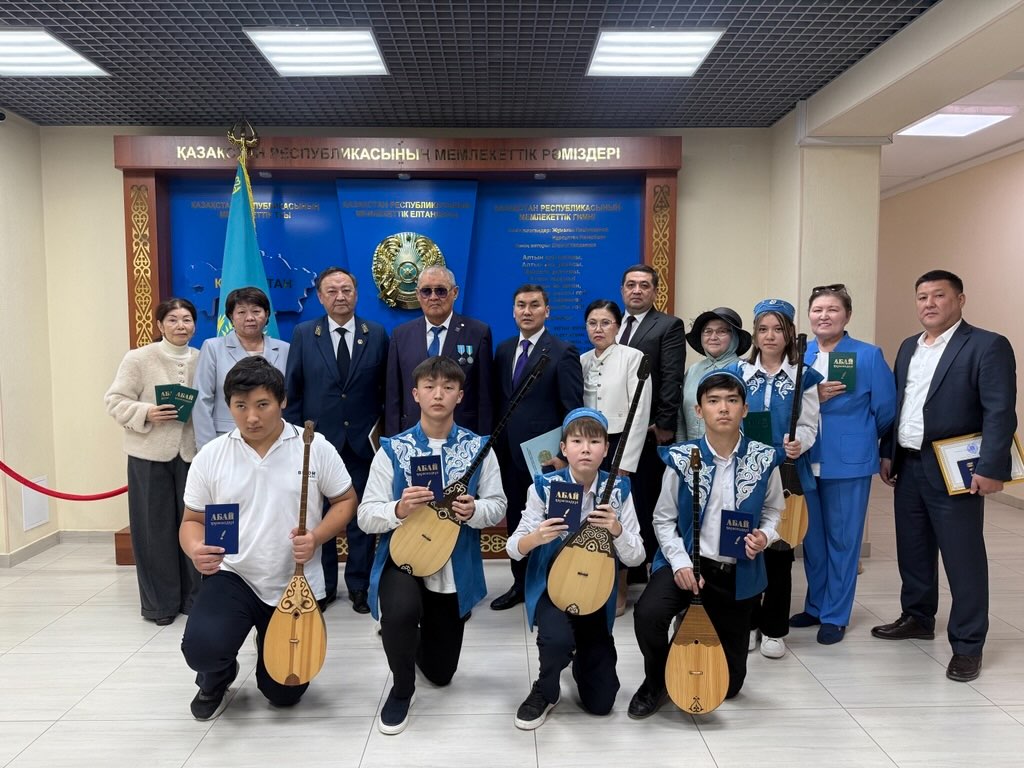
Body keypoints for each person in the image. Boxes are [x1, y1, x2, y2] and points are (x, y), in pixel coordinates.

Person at [179, 357, 357, 719]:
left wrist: (318, 536)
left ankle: (268, 649)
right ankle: (217, 676)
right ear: (228, 405)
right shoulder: (212, 455)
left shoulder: (313, 447)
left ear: (283, 402)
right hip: (233, 574)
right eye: (240, 406)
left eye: (263, 405)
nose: (251, 418)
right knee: (202, 649)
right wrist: (196, 548)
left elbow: (346, 499)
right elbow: (192, 520)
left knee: (284, 693)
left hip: (294, 579)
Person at [874, 270, 1017, 683]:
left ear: (960, 299)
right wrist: (889, 453)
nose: (929, 304)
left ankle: (968, 644)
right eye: (922, 297)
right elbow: (899, 406)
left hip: (957, 467)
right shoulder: (907, 348)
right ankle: (918, 616)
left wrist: (992, 468)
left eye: (939, 295)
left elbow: (1000, 411)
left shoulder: (987, 345)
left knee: (963, 557)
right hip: (910, 463)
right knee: (913, 548)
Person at [358, 356, 506, 734]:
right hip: (403, 556)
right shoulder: (393, 449)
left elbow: (499, 505)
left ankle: (405, 635)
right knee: (402, 610)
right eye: (429, 387)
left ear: (460, 395)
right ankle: (401, 686)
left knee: (441, 674)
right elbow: (365, 514)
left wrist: (474, 509)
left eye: (448, 387)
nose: (438, 394)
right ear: (415, 394)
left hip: (451, 565)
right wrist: (399, 509)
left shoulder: (479, 448)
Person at [628, 370, 783, 718]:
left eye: (732, 400)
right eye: (713, 401)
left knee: (729, 687)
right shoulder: (682, 458)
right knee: (648, 615)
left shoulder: (763, 458)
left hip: (735, 572)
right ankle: (656, 681)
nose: (723, 408)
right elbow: (663, 519)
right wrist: (681, 563)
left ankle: (693, 633)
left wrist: (765, 535)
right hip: (686, 564)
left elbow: (774, 510)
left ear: (745, 409)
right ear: (699, 411)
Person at [507, 408, 644, 729]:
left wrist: (617, 530)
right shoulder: (543, 487)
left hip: (595, 593)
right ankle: (546, 687)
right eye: (577, 441)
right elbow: (513, 548)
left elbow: (637, 556)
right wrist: (537, 536)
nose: (586, 448)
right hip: (552, 589)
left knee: (602, 703)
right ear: (564, 448)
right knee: (555, 641)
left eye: (595, 441)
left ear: (606, 449)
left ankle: (582, 657)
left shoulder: (619, 491)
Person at [790, 284, 896, 644]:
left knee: (844, 541)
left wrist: (867, 441)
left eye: (832, 309)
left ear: (847, 315)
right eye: (817, 309)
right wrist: (810, 396)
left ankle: (835, 614)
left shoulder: (866, 355)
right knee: (812, 540)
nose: (824, 316)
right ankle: (816, 605)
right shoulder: (797, 355)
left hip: (848, 460)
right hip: (805, 457)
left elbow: (885, 410)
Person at [285, 266, 388, 613]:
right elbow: (293, 390)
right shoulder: (303, 333)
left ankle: (359, 586)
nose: (340, 296)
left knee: (359, 516)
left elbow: (386, 391)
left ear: (356, 294)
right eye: (332, 291)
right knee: (319, 517)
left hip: (363, 444)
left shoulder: (376, 334)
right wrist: (297, 439)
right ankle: (325, 586)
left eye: (346, 289)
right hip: (317, 445)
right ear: (320, 296)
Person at [731, 299, 822, 660]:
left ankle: (774, 628)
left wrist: (801, 443)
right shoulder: (737, 373)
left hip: (785, 473)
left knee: (780, 553)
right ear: (754, 334)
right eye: (763, 329)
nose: (770, 336)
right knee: (745, 548)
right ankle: (748, 621)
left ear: (789, 334)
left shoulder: (806, 375)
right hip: (743, 473)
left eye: (778, 329)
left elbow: (810, 425)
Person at [105, 297, 201, 626]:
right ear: (159, 325)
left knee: (193, 527)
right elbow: (114, 401)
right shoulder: (139, 358)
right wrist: (146, 412)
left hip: (192, 456)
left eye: (186, 319)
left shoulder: (203, 359)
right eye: (172, 320)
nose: (180, 326)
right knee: (153, 530)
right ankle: (159, 605)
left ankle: (194, 598)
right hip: (148, 455)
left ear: (195, 324)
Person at [490, 284, 584, 610]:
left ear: (547, 310)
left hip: (547, 460)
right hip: (508, 455)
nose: (527, 311)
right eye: (521, 305)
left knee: (553, 523)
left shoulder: (562, 351)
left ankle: (552, 585)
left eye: (534, 305)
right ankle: (520, 584)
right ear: (513, 311)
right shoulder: (503, 350)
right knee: (518, 520)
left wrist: (563, 455)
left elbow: (572, 408)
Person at [580, 298, 651, 614]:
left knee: (616, 516)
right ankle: (589, 579)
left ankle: (620, 587)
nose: (599, 329)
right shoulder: (582, 360)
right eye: (593, 323)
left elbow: (640, 411)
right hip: (587, 444)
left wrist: (624, 462)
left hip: (619, 444)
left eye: (605, 322)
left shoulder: (632, 358)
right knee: (587, 515)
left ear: (618, 326)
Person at [617, 264, 686, 584]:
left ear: (655, 291)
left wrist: (664, 424)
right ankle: (627, 567)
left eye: (644, 285)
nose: (637, 290)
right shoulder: (613, 325)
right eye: (631, 284)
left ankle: (648, 570)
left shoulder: (668, 325)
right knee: (623, 499)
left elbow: (671, 377)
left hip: (650, 432)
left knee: (647, 500)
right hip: (616, 432)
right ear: (622, 290)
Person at [385, 265, 493, 436]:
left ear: (455, 293)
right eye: (426, 291)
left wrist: (484, 442)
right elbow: (393, 397)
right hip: (412, 434)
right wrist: (392, 441)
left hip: (462, 434)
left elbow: (485, 397)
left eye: (441, 291)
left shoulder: (478, 333)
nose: (433, 297)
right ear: (418, 295)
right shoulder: (401, 335)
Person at [193, 286, 289, 450]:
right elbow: (202, 399)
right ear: (231, 316)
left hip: (275, 439)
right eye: (242, 312)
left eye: (256, 311)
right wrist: (207, 448)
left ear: (266, 315)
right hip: (226, 438)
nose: (250, 318)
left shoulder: (284, 349)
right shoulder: (213, 348)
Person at [677, 307, 751, 441]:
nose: (713, 337)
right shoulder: (693, 370)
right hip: (692, 452)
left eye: (721, 331)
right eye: (707, 331)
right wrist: (680, 448)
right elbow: (680, 418)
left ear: (735, 336)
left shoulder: (746, 371)